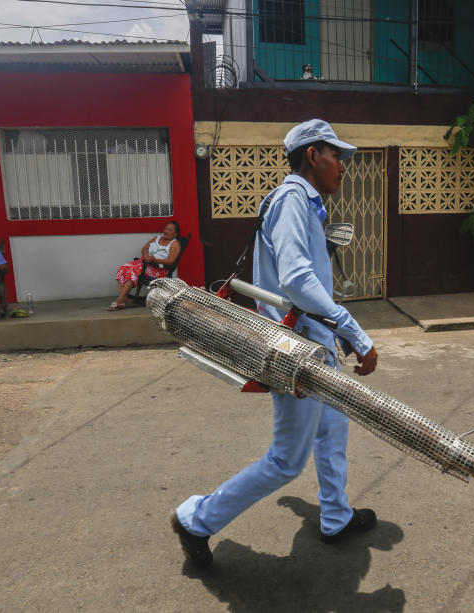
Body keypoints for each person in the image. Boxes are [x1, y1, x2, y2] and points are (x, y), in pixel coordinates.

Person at [169, 119, 379, 569]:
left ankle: (336, 517)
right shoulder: (291, 200)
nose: (342, 165)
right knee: (287, 460)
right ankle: (196, 519)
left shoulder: (305, 203)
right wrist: (355, 333)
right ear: (311, 155)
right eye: (335, 154)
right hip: (297, 352)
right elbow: (298, 279)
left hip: (315, 346)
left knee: (333, 431)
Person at [108, 220, 182, 310]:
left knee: (134, 270)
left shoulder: (175, 244)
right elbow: (144, 249)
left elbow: (171, 261)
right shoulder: (156, 238)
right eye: (166, 228)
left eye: (170, 230)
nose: (166, 231)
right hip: (144, 264)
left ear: (175, 234)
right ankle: (123, 297)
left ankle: (120, 300)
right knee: (123, 267)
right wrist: (146, 255)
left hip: (158, 269)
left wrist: (154, 260)